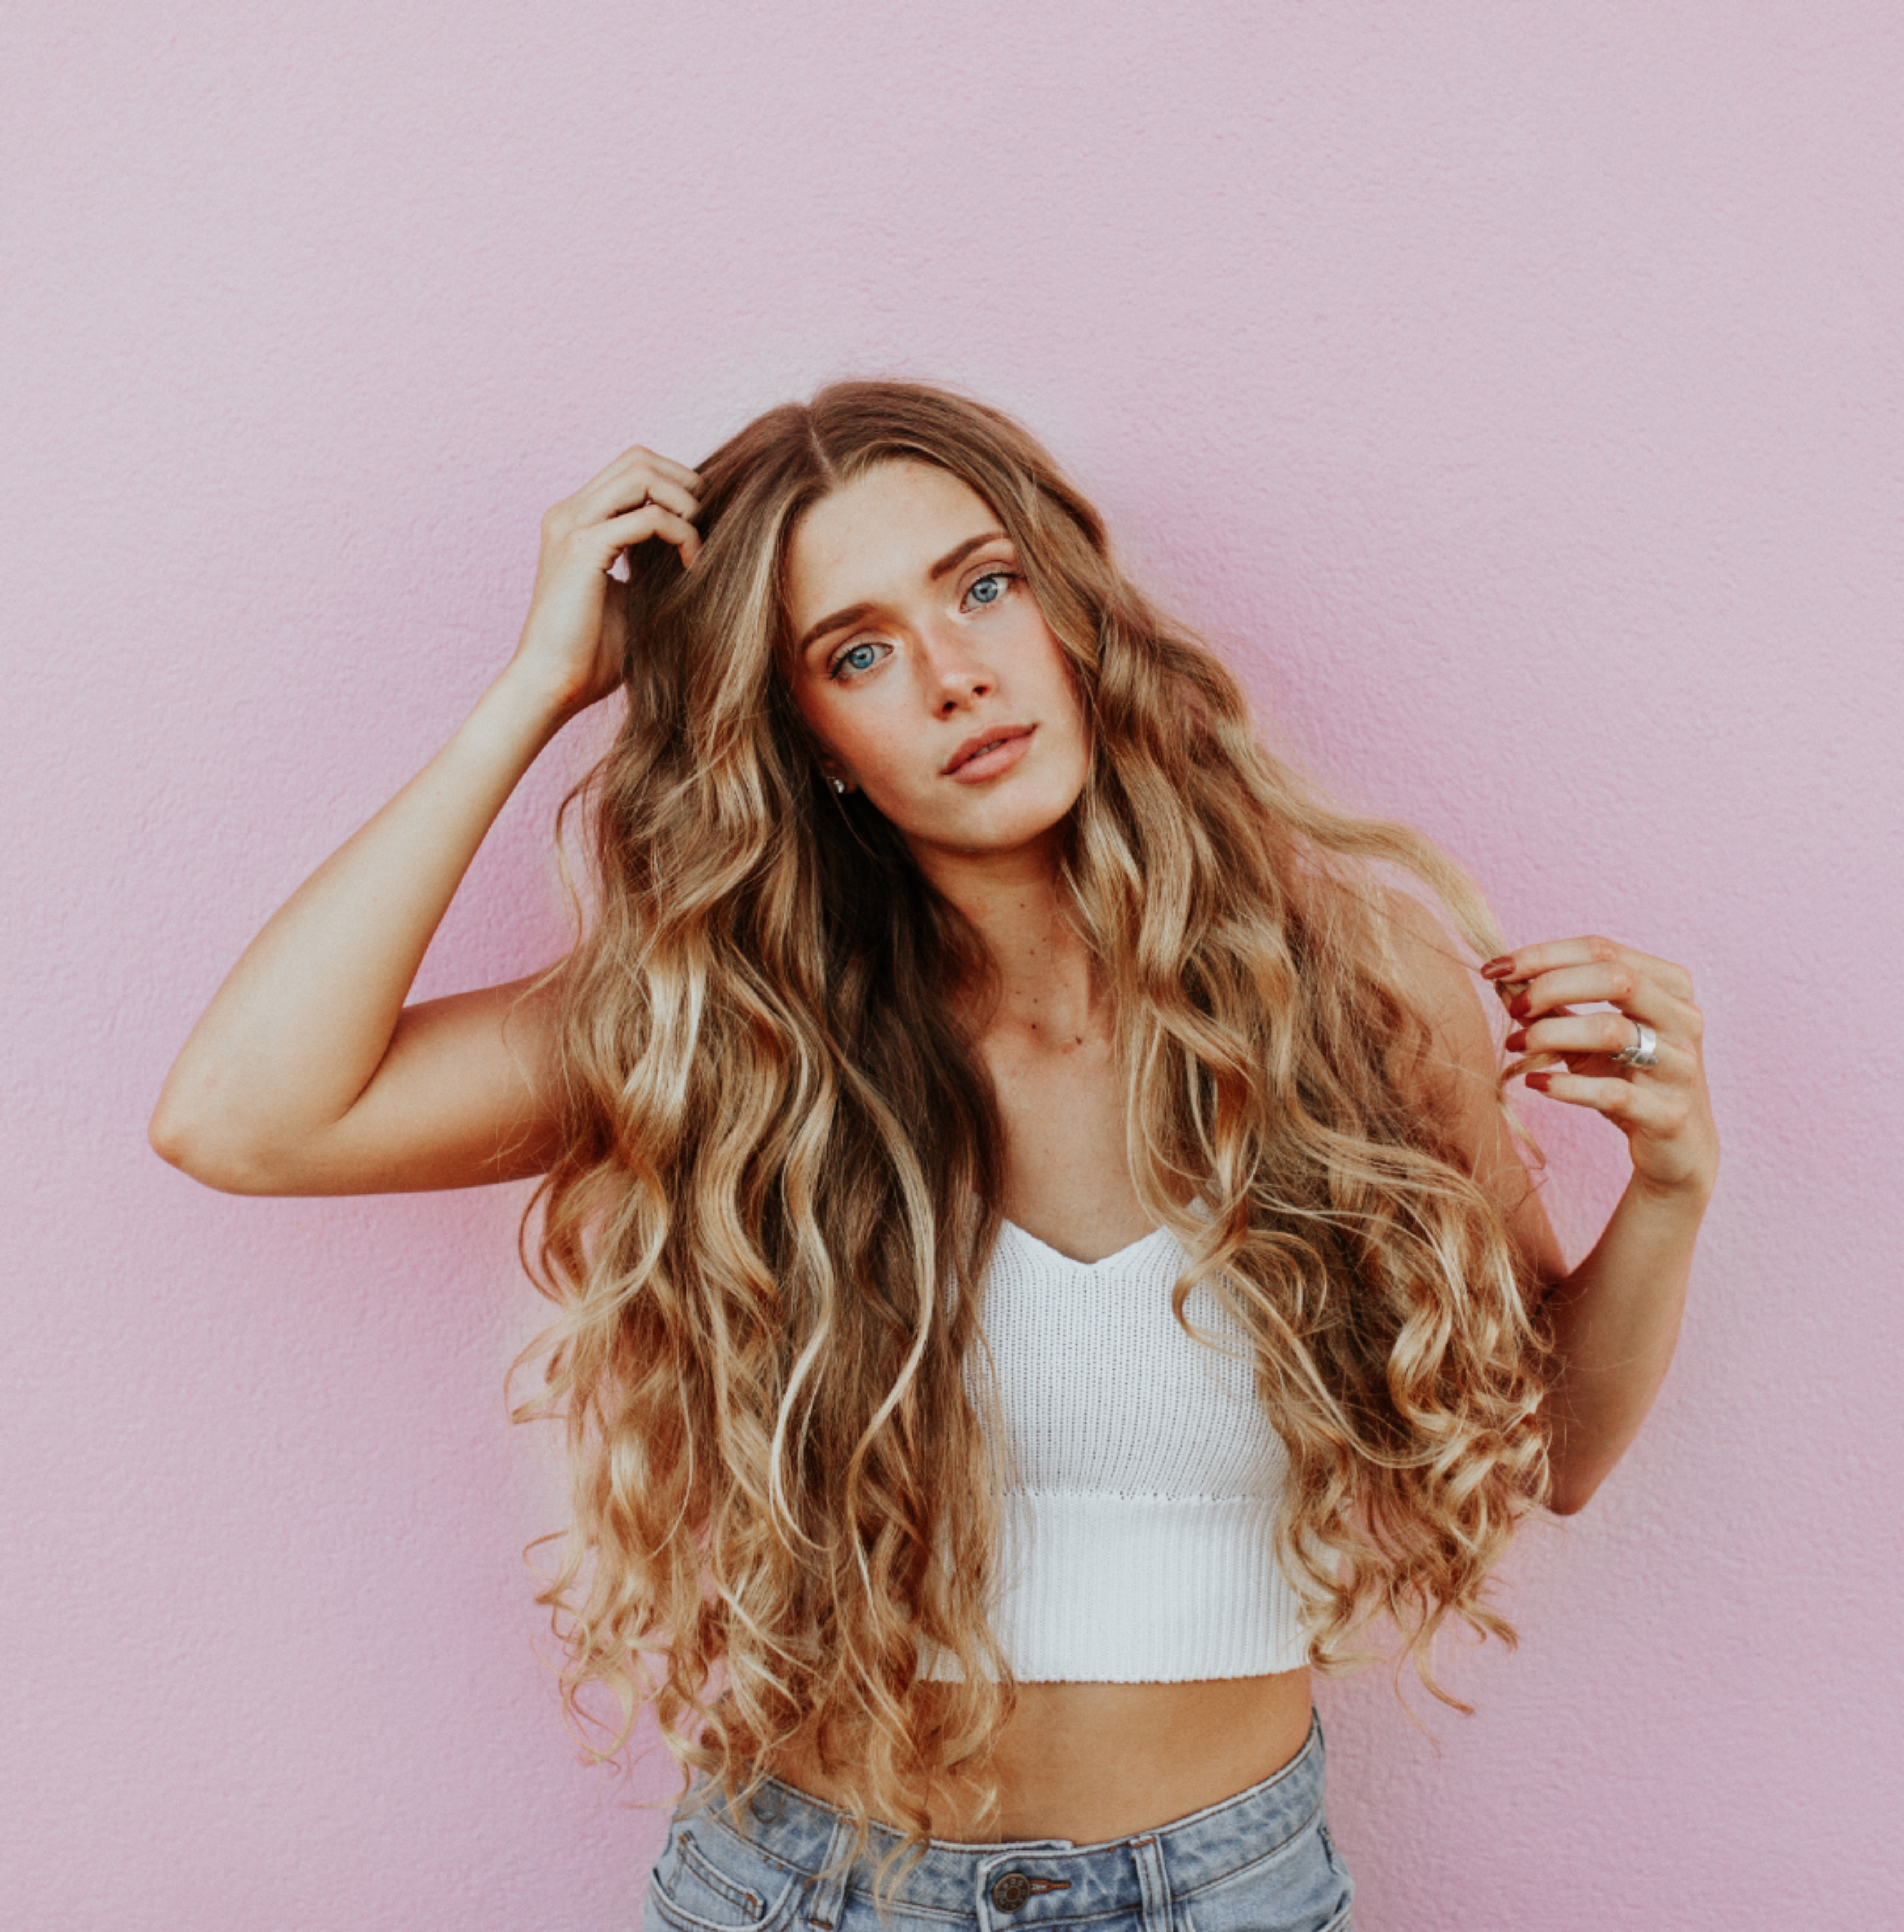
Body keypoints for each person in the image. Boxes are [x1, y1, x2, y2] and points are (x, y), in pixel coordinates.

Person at [151, 382, 1717, 1931]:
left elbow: (1553, 1449)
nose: (957, 676)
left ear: (1072, 611)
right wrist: (541, 685)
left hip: (1228, 1891)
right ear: (810, 740)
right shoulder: (733, 1033)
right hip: (811, 1890)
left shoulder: (1349, 987)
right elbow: (243, 1116)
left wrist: (1669, 1187)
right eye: (859, 651)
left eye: (984, 587)